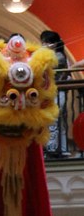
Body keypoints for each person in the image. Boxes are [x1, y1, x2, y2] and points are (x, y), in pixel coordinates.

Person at [41, 29, 71, 157]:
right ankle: (62, 149)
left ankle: (53, 149)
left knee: (53, 121)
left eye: (45, 42)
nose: (43, 45)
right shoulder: (54, 55)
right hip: (54, 93)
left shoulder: (58, 56)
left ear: (52, 43)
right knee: (58, 122)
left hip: (57, 93)